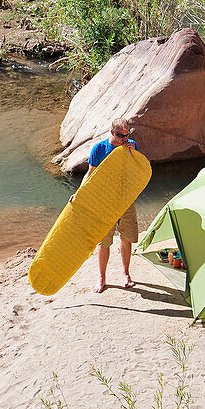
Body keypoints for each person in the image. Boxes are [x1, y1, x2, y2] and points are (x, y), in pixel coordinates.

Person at [69, 118, 142, 294]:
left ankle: (126, 274)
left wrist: (134, 154)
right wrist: (80, 193)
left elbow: (139, 170)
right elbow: (90, 174)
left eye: (127, 135)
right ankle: (102, 277)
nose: (125, 139)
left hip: (125, 199)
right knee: (104, 242)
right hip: (104, 202)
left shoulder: (131, 146)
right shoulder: (99, 149)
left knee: (127, 237)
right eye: (121, 136)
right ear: (112, 133)